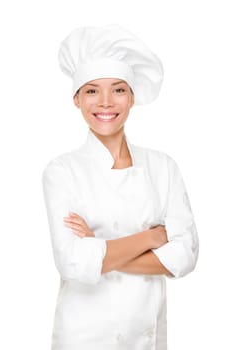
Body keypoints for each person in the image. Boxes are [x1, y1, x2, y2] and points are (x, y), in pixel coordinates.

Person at [42, 24, 199, 350]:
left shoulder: (163, 167)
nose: (105, 102)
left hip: (146, 337)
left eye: (118, 90)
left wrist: (98, 245)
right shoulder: (62, 171)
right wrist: (152, 238)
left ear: (132, 97)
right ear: (76, 99)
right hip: (82, 337)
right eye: (91, 91)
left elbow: (185, 256)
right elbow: (72, 262)